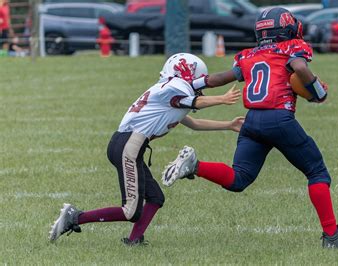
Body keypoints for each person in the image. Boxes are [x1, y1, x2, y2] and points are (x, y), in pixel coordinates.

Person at [162, 7, 338, 249]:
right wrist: (319, 93)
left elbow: (218, 79)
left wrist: (186, 84)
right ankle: (332, 237)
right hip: (279, 118)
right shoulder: (292, 48)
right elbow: (300, 68)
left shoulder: (249, 55)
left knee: (239, 178)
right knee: (317, 174)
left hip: (252, 122)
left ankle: (194, 166)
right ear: (286, 28)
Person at [49, 53, 244, 245]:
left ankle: (134, 240)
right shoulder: (174, 89)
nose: (200, 82)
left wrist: (228, 124)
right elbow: (195, 102)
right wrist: (222, 99)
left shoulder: (168, 90)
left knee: (155, 198)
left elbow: (194, 123)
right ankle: (74, 217)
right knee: (131, 211)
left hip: (129, 144)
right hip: (129, 145)